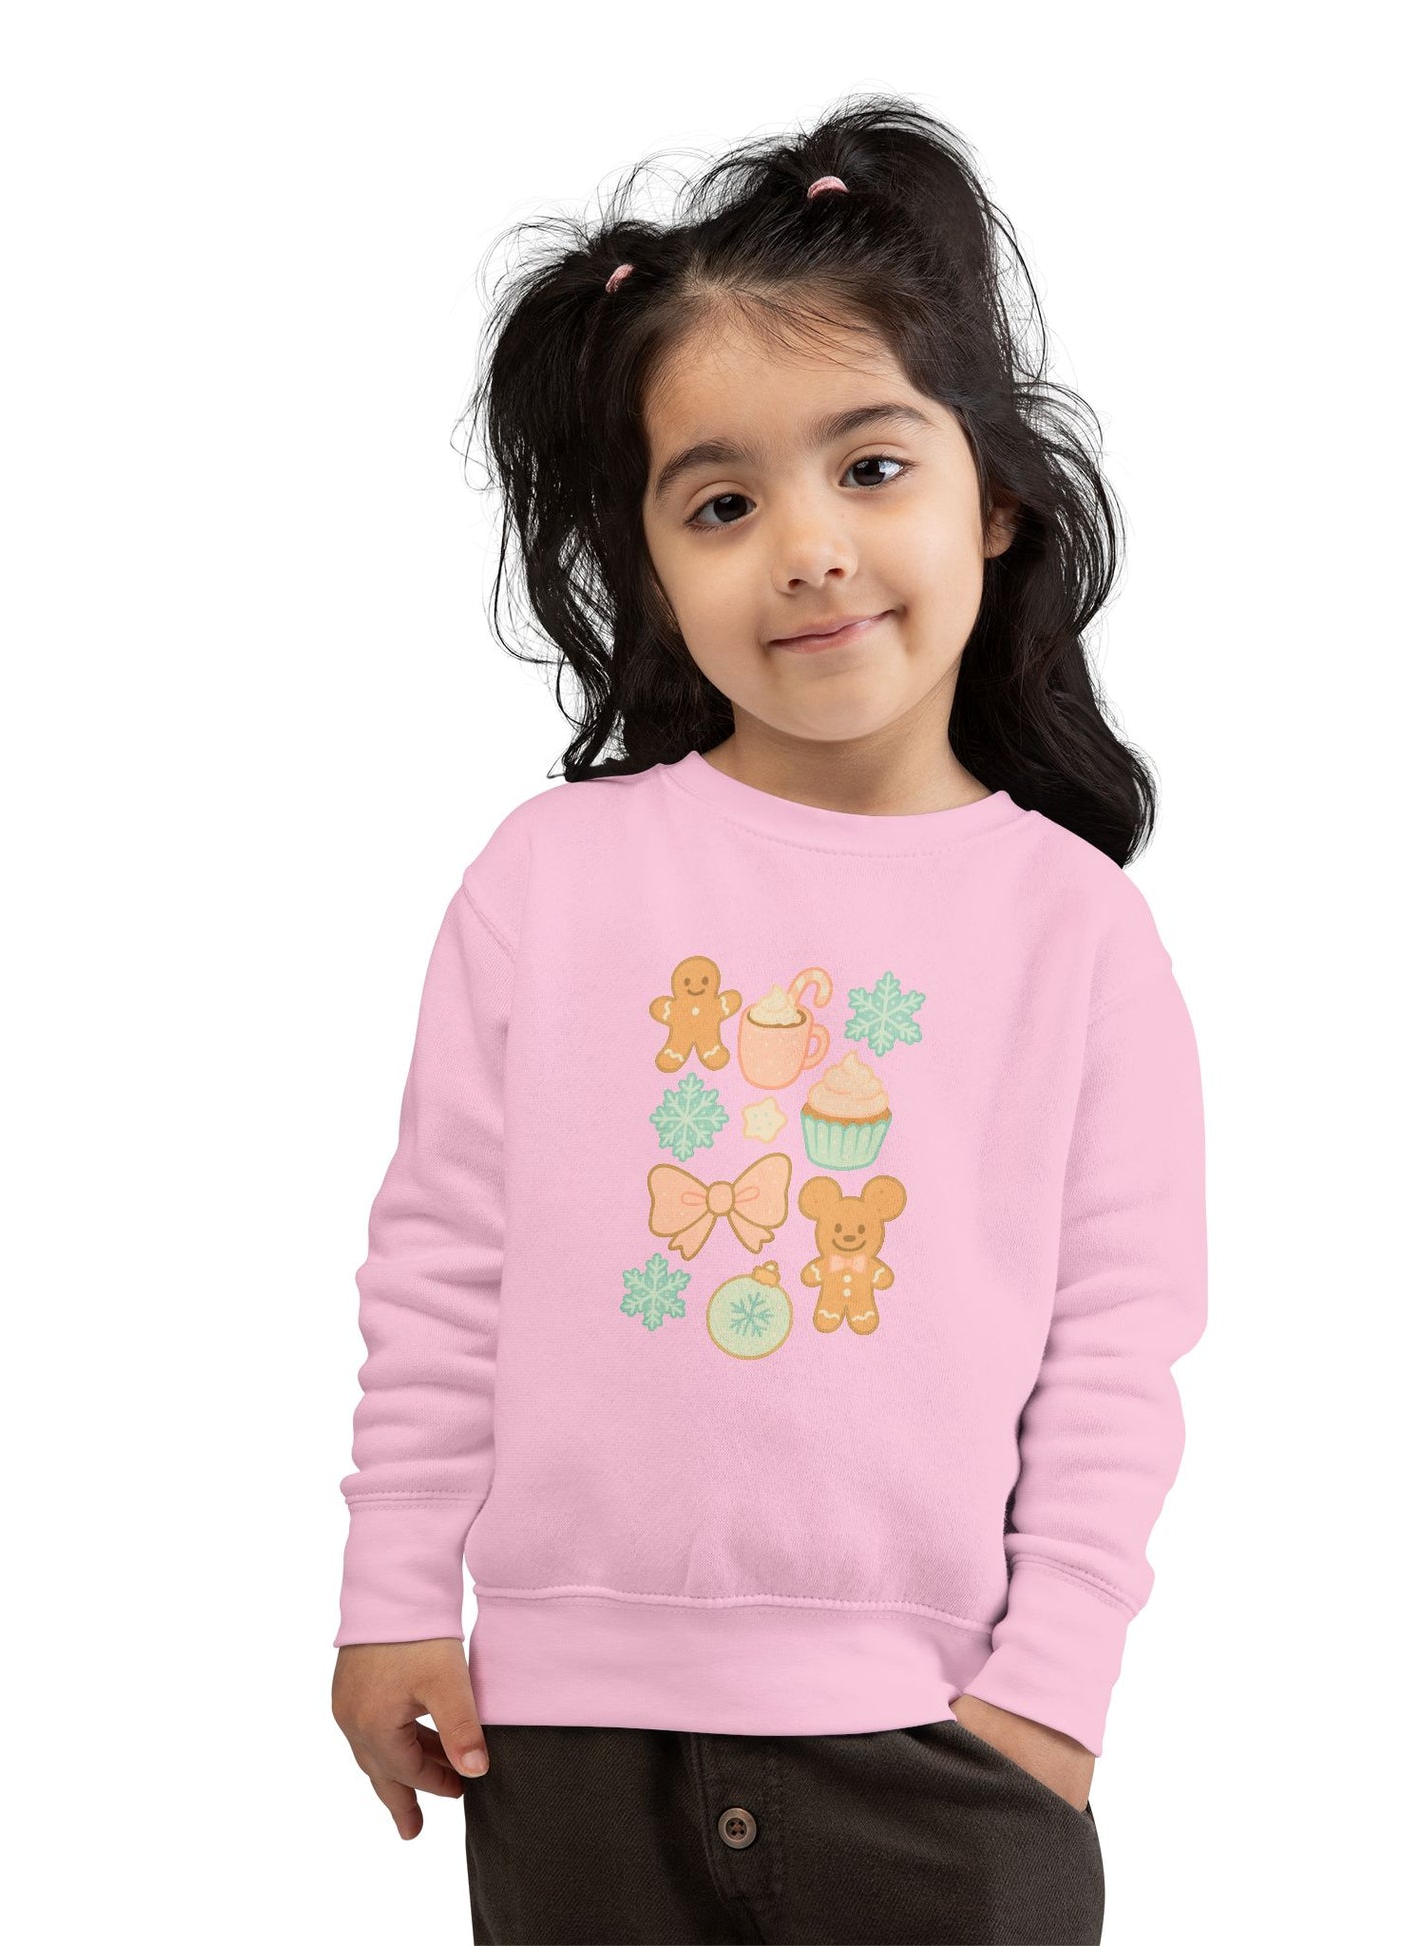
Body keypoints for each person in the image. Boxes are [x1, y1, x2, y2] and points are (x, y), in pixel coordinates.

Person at [329, 94, 1208, 1946]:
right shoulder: (550, 878)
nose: (806, 547)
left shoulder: (1076, 930)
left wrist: (1050, 1689)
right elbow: (442, 1259)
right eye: (722, 503)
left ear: (995, 494)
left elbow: (1118, 1343)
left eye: (869, 467)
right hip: (568, 1741)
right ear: (652, 567)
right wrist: (392, 1586)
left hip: (941, 1748)